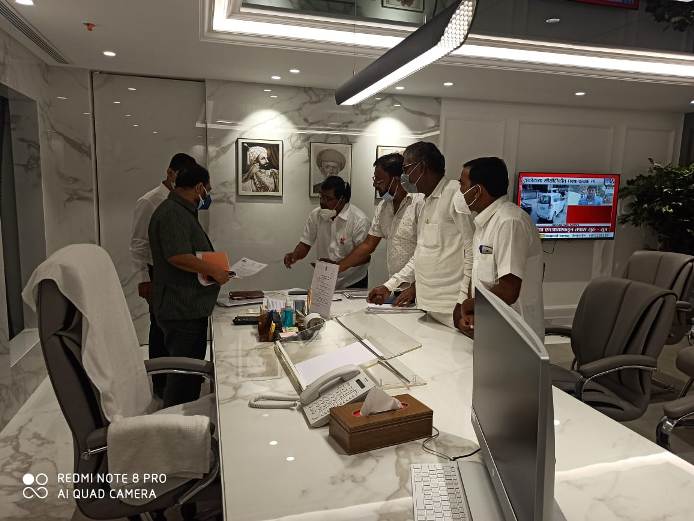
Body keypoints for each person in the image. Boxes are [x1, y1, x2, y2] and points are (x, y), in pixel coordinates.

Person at [148, 163, 230, 407]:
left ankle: (181, 415)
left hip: (188, 306)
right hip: (181, 307)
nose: (208, 195)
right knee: (183, 378)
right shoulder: (172, 213)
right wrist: (213, 270)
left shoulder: (181, 211)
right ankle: (175, 420)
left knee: (188, 373)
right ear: (199, 187)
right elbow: (177, 256)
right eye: (208, 190)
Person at [368, 142, 473, 327]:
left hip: (452, 308)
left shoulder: (455, 195)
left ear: (422, 167)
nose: (404, 176)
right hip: (429, 305)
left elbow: (472, 252)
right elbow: (421, 254)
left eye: (406, 169)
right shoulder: (426, 202)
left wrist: (463, 300)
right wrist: (389, 286)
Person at [453, 157, 544, 340]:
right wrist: (469, 313)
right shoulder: (484, 223)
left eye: (462, 184)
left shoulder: (510, 222)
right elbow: (479, 278)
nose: (460, 191)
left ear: (477, 191)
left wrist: (468, 305)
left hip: (515, 335)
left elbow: (508, 290)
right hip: (490, 329)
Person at [129, 152, 196, 398]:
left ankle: (179, 378)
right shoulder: (149, 201)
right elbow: (138, 244)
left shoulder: (184, 200)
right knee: (159, 326)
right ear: (169, 173)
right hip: (156, 273)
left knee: (177, 327)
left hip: (179, 273)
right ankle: (160, 384)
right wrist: (143, 280)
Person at [337, 153, 423, 289]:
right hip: (395, 285)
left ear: (396, 179)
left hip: (418, 285)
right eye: (374, 179)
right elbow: (368, 244)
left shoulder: (419, 204)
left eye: (379, 180)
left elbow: (424, 251)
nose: (374, 184)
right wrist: (337, 267)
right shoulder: (383, 207)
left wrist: (412, 287)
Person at [284, 175, 370, 289]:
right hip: (324, 278)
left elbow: (364, 257)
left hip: (352, 280)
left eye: (328, 199)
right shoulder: (316, 215)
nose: (322, 202)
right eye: (321, 197)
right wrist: (294, 255)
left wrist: (337, 266)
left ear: (342, 200)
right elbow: (305, 243)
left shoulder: (359, 220)